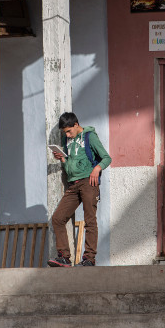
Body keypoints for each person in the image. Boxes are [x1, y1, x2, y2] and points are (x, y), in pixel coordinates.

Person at [48, 112, 111, 267]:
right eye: (65, 133)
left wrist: (97, 169)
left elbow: (106, 158)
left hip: (89, 182)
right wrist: (62, 159)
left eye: (69, 131)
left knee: (90, 220)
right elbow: (70, 164)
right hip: (73, 184)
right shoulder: (66, 139)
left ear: (76, 124)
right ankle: (64, 257)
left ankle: (89, 259)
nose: (67, 135)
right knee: (57, 218)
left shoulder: (90, 136)